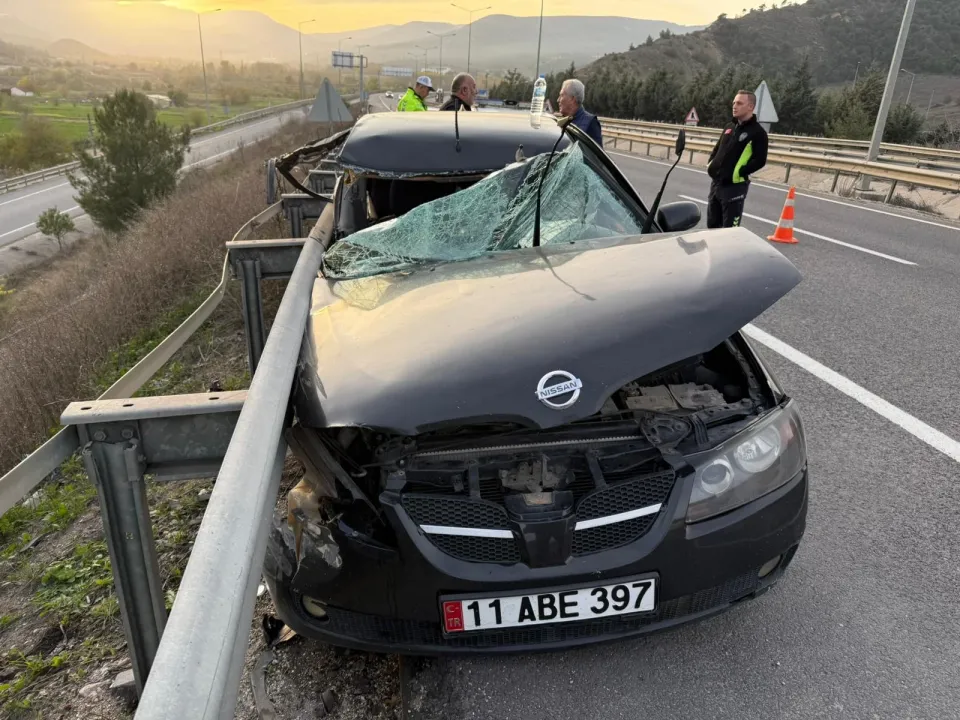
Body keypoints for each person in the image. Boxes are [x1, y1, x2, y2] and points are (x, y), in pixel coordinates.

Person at [706, 90, 769, 228]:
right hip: (716, 185)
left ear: (750, 107)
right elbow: (717, 149)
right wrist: (711, 164)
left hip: (734, 188)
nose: (734, 106)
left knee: (730, 232)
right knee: (711, 229)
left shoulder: (758, 133)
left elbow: (760, 160)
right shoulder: (729, 127)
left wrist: (738, 172)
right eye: (734, 103)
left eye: (739, 103)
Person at [557, 78, 602, 146]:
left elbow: (596, 155)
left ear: (572, 99)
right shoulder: (563, 121)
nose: (558, 100)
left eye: (562, 95)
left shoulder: (591, 123)